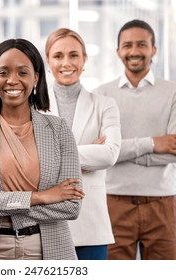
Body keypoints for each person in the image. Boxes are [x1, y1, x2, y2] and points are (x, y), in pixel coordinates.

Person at [0, 38, 84, 260]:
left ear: (36, 78)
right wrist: (41, 197)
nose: (12, 80)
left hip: (49, 249)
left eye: (22, 73)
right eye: (4, 73)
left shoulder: (59, 128)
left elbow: (71, 206)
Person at [93, 19, 176, 260]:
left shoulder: (174, 92)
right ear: (118, 51)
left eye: (141, 44)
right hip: (113, 206)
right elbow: (100, 154)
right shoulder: (102, 95)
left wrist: (120, 152)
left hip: (161, 205)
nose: (134, 52)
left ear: (153, 49)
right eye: (127, 45)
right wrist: (152, 143)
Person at [44, 28, 121, 260]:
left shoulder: (105, 105)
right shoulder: (30, 106)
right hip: (46, 222)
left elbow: (109, 155)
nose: (66, 62)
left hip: (91, 223)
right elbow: (27, 158)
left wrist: (51, 155)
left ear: (84, 59)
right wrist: (89, 156)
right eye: (58, 56)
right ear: (48, 60)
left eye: (74, 55)